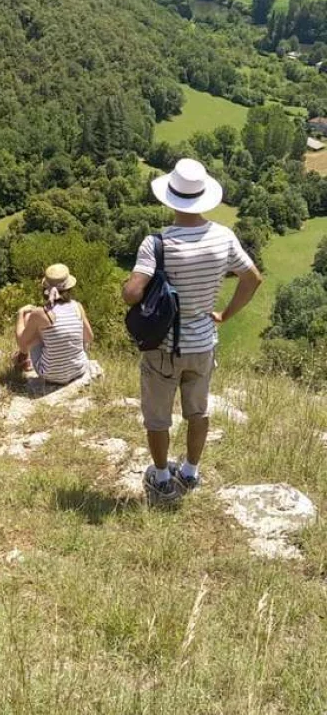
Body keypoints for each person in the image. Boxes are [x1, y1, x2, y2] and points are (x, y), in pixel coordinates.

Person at [122, 159, 262, 506]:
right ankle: (190, 471)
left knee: (158, 416)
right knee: (197, 412)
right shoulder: (223, 236)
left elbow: (132, 293)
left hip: (163, 347)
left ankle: (163, 478)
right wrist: (225, 314)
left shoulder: (157, 244)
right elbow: (252, 278)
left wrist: (136, 283)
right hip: (203, 344)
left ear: (170, 199)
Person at [14, 263, 94, 385]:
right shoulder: (77, 307)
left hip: (51, 375)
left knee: (29, 318)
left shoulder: (40, 313)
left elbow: (22, 343)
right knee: (71, 330)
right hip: (79, 370)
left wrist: (20, 313)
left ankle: (23, 360)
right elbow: (89, 338)